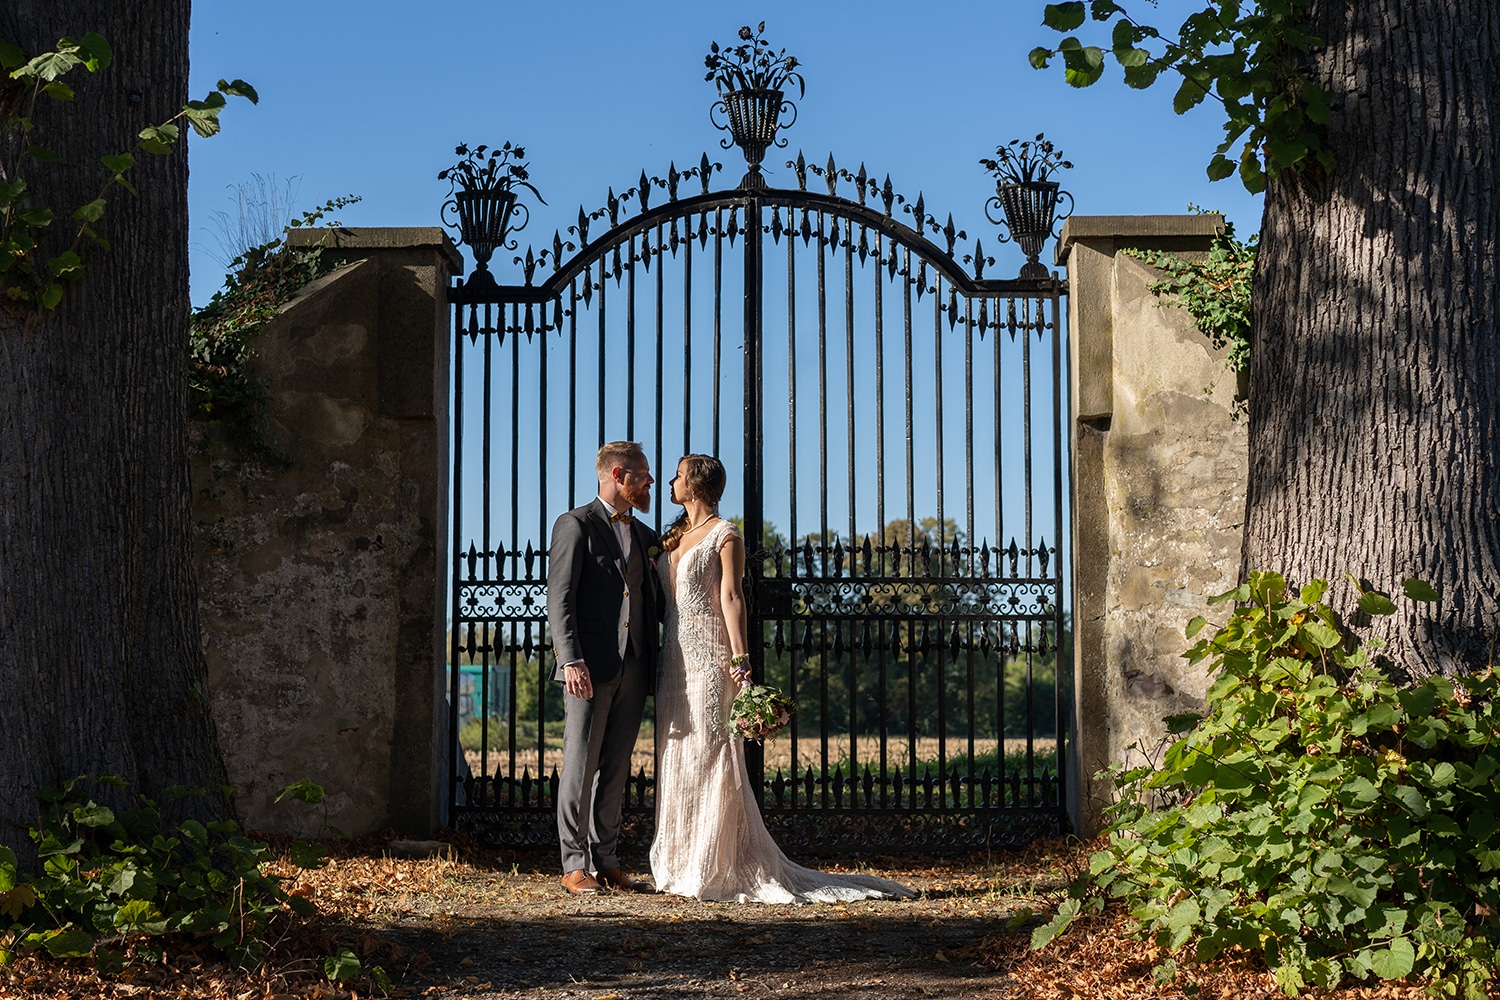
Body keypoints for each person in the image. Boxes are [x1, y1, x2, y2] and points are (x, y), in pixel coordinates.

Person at [649, 454, 915, 903]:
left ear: (694, 485)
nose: (671, 483)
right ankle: (677, 862)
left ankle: (714, 864)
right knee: (678, 756)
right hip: (673, 661)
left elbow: (732, 597)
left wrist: (741, 658)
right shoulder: (672, 537)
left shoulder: (724, 534)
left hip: (712, 659)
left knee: (714, 757)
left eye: (677, 475)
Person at [547, 441, 662, 895]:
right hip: (588, 665)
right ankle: (574, 864)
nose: (650, 482)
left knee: (615, 766)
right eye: (643, 474)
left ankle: (607, 860)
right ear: (618, 475)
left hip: (635, 663)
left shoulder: (647, 536)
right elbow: (560, 598)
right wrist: (569, 657)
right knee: (580, 763)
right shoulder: (575, 524)